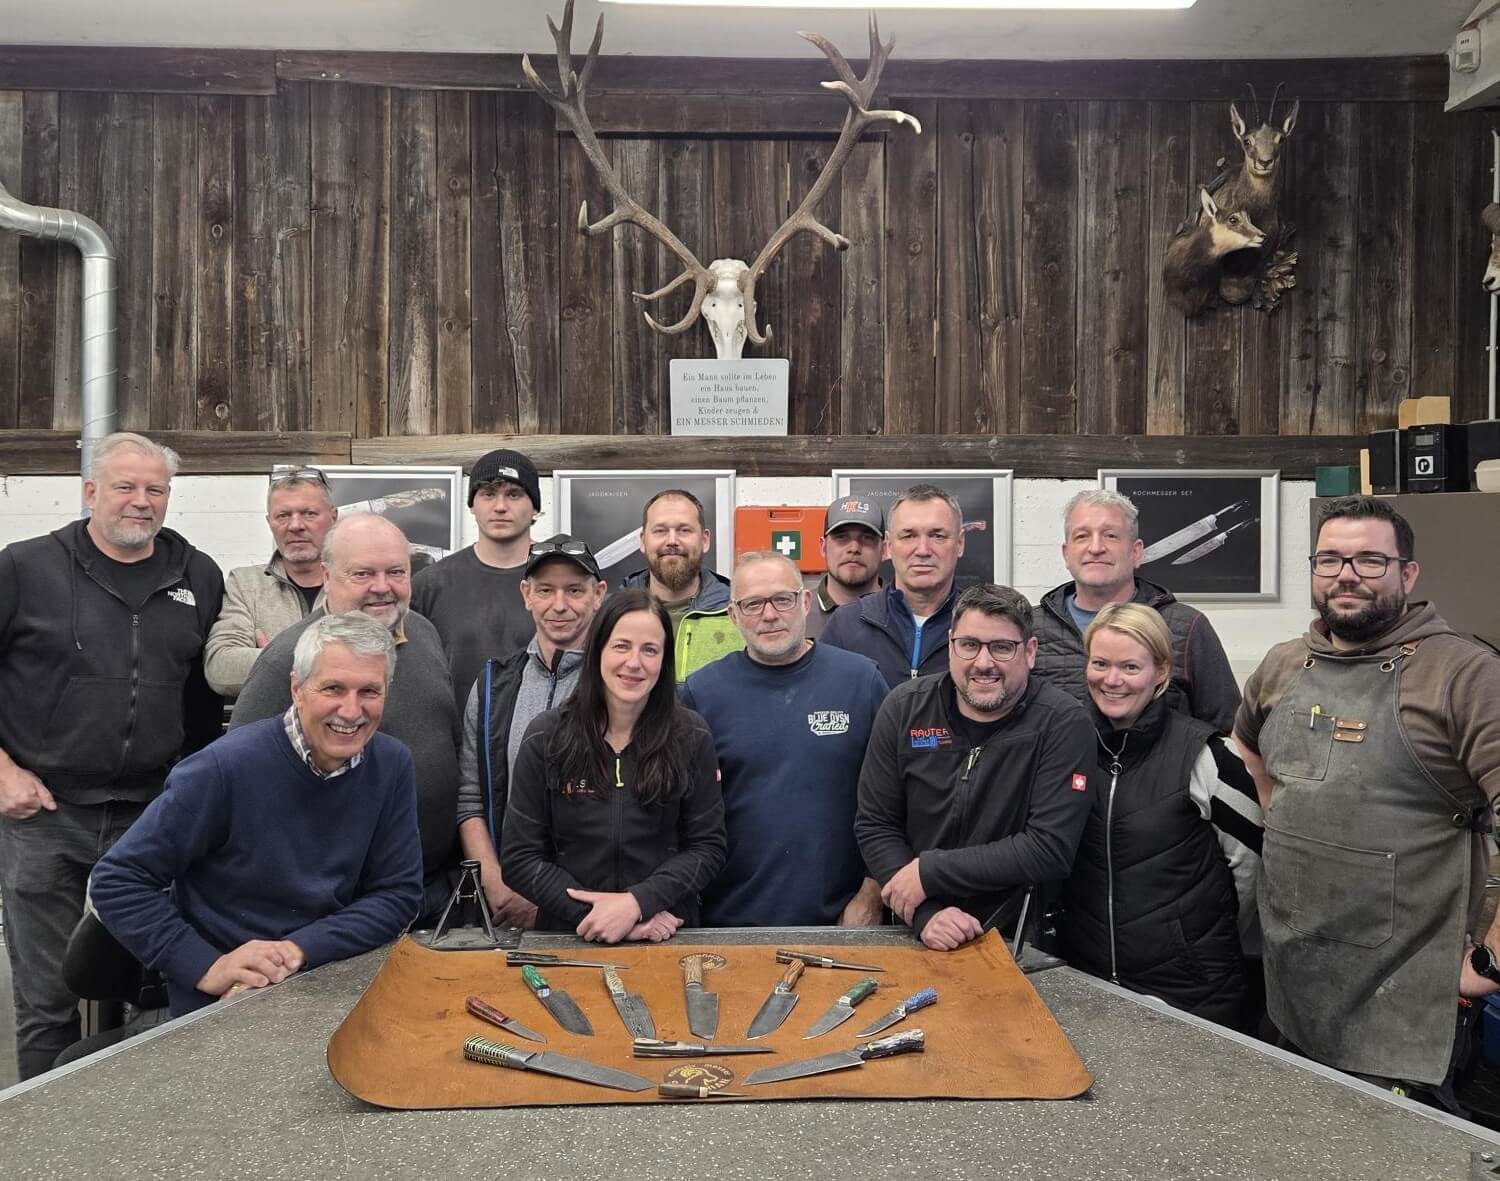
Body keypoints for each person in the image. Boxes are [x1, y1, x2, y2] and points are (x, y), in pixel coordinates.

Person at [1234, 495, 1500, 1102]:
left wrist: (1492, 960)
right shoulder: (1283, 664)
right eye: (1329, 559)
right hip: (1293, 978)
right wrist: (1283, 813)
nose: (1346, 575)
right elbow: (1246, 746)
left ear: (1408, 574)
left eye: (1370, 560)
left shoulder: (1464, 675)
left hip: (1407, 1000)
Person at [0, 431, 224, 1079]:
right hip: (45, 814)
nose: (141, 501)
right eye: (125, 487)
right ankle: (43, 1128)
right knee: (47, 1001)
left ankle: (135, 1121)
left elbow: (204, 700)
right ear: (91, 491)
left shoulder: (197, 575)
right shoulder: (24, 568)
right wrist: (3, 771)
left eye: (156, 489)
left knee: (156, 989)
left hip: (152, 818)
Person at [90, 612, 423, 1016]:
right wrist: (206, 966)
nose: (351, 711)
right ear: (297, 688)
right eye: (333, 688)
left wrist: (298, 949)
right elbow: (117, 881)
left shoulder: (391, 764)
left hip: (325, 975)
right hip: (224, 994)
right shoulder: (223, 768)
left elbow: (397, 894)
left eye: (369, 691)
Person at [230, 513, 460, 921]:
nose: (382, 587)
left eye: (396, 572)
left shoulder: (423, 633)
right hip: (340, 907)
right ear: (326, 576)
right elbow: (238, 788)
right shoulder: (289, 660)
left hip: (433, 891)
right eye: (363, 574)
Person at [855, 584, 1095, 951]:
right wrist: (926, 915)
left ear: (1030, 652)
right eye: (969, 644)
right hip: (914, 931)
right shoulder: (904, 708)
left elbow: (1049, 847)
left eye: (1002, 647)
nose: (983, 663)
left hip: (1018, 942)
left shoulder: (1063, 722)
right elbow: (876, 825)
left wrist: (929, 871)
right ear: (950, 645)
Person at [1059, 603, 1262, 1028]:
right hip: (1087, 981)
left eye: (1130, 667)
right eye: (1100, 663)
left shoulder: (1208, 755)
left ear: (1161, 672)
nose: (1112, 680)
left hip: (1192, 992)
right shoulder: (1066, 746)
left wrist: (1196, 939)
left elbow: (1250, 867)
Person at [502, 590, 727, 942]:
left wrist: (638, 904)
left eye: (649, 650)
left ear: (664, 660)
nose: (634, 663)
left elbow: (707, 847)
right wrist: (599, 917)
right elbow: (520, 858)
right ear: (598, 651)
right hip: (570, 938)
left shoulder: (691, 736)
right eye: (621, 646)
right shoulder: (546, 737)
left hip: (665, 933)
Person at [681, 552, 887, 927]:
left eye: (782, 599)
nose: (770, 614)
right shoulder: (702, 693)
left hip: (842, 920)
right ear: (733, 615)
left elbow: (896, 800)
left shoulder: (861, 681)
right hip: (728, 921)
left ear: (805, 602)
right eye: (753, 604)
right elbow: (682, 817)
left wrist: (872, 893)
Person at [456, 534, 606, 928]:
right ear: (526, 594)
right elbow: (471, 797)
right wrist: (499, 885)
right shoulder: (492, 686)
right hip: (504, 907)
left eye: (575, 590)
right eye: (545, 590)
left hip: (595, 909)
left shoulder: (620, 686)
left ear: (598, 595)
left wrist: (555, 903)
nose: (560, 605)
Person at [1033, 489, 1240, 733]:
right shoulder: (1030, 627)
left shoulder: (1186, 625)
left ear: (1136, 552)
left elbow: (1225, 725)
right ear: (1066, 554)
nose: (1096, 547)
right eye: (1082, 536)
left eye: (1111, 536)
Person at [411, 449, 542, 712]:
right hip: (455, 734)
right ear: (472, 504)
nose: (500, 506)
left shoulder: (563, 583)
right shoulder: (430, 584)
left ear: (535, 507)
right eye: (488, 494)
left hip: (540, 734)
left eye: (514, 494)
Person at [204, 467, 338, 697]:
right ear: (269, 522)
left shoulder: (358, 582)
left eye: (309, 513)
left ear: (333, 517)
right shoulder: (246, 584)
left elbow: (380, 661)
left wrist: (271, 657)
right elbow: (220, 669)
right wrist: (332, 660)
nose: (295, 525)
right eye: (283, 515)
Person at [821, 483, 963, 688]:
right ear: (888, 546)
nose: (923, 550)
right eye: (908, 536)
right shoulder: (846, 625)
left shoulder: (984, 626)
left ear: (960, 543)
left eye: (937, 536)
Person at [621, 489, 743, 680]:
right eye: (660, 531)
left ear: (704, 540)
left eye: (684, 530)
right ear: (643, 541)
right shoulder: (612, 614)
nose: (672, 541)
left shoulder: (739, 613)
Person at [806, 495, 885, 641]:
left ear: (884, 549)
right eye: (842, 537)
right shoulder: (794, 614)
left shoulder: (907, 613)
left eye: (867, 537)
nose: (854, 548)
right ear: (823, 547)